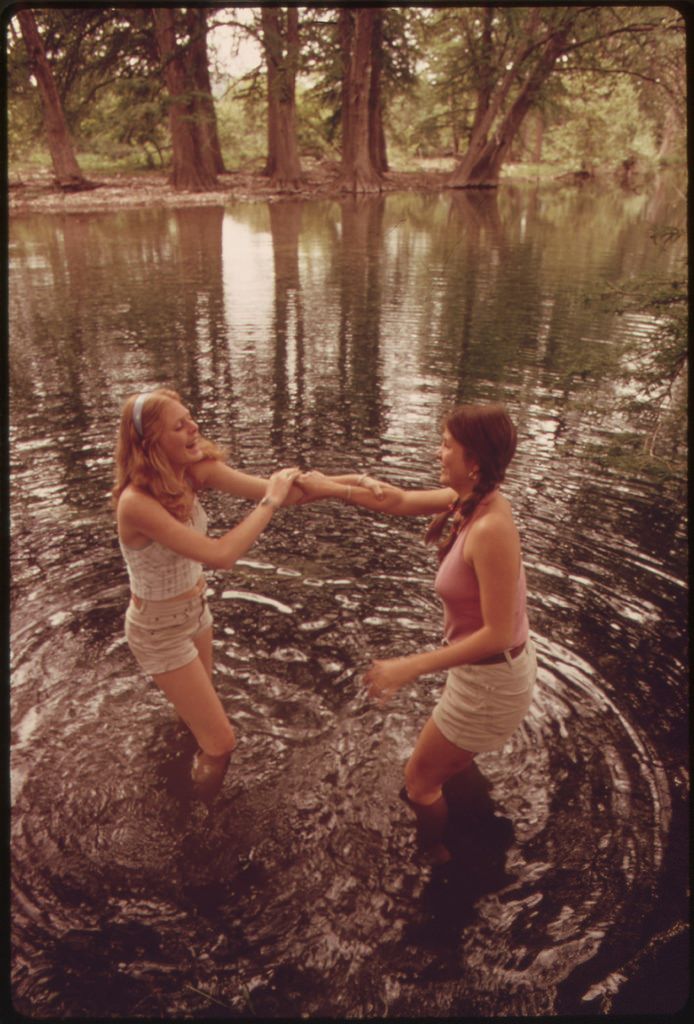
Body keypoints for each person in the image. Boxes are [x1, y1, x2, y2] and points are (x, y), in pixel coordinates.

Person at [298, 404, 536, 864]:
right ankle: (461, 803)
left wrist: (410, 666)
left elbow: (498, 633)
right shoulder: (471, 498)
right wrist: (329, 487)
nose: (437, 452)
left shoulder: (490, 527)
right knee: (444, 764)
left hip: (490, 682)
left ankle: (434, 856)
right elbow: (399, 500)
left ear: (474, 461)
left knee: (418, 781)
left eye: (446, 445)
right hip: (482, 677)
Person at [113, 387, 305, 798]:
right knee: (221, 744)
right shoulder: (136, 503)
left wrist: (352, 486)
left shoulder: (191, 470)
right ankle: (197, 818)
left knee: (195, 722)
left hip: (195, 613)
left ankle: (183, 772)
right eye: (178, 425)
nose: (193, 427)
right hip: (157, 629)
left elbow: (279, 489)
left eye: (190, 417)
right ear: (151, 443)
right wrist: (270, 501)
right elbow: (222, 555)